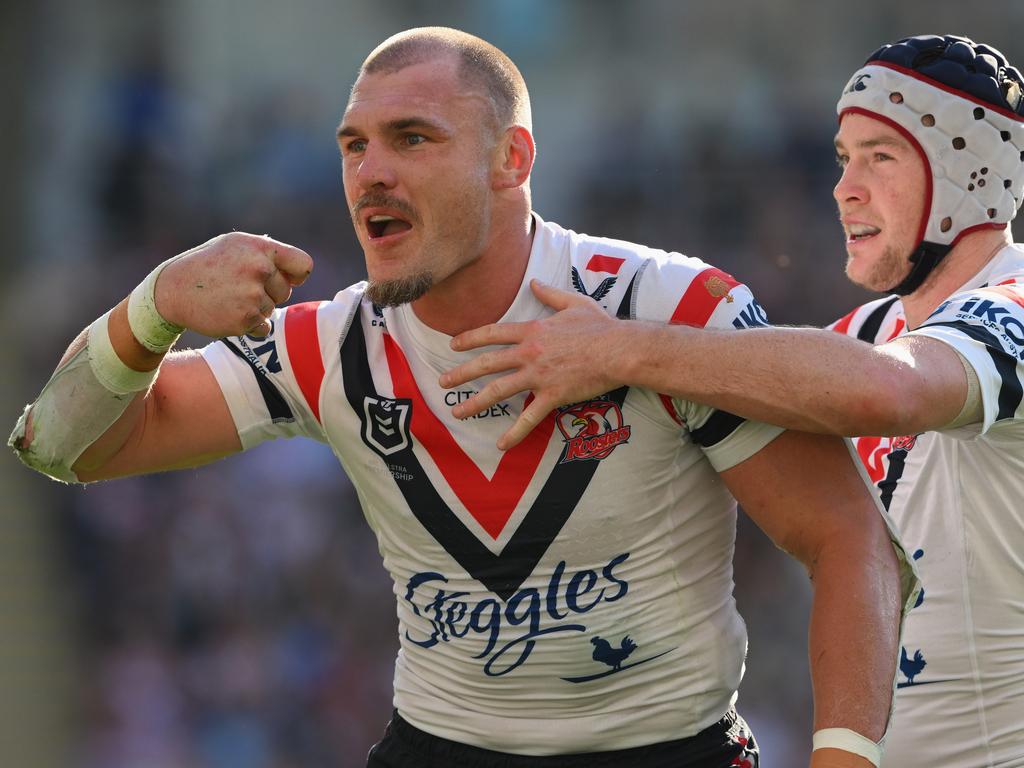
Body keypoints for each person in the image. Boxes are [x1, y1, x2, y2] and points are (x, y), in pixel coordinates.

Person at [9, 27, 914, 768]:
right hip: (438, 749)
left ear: (511, 160)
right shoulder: (328, 345)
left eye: (413, 138)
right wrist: (154, 306)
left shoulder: (664, 307)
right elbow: (63, 446)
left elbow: (848, 540)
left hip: (666, 750)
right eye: (354, 146)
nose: (372, 172)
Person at [440, 34, 1024, 767]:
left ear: (965, 175)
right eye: (844, 159)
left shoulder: (1012, 307)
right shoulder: (866, 334)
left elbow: (889, 391)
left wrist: (623, 345)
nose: (845, 187)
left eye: (882, 155)